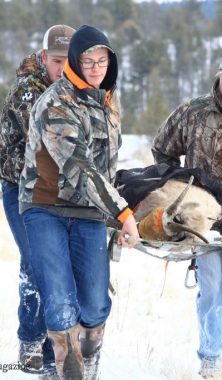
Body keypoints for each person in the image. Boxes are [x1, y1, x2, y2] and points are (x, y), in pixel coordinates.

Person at [18, 24, 140, 380]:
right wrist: (122, 212)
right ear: (75, 60)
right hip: (45, 206)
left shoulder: (107, 101)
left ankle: (90, 366)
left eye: (103, 60)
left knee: (95, 303)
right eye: (89, 60)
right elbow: (80, 168)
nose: (97, 67)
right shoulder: (56, 102)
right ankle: (64, 371)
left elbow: (107, 166)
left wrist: (118, 216)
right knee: (60, 303)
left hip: (88, 211)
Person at [151, 50, 222, 378]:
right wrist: (180, 188)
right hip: (201, 215)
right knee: (210, 286)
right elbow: (162, 150)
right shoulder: (194, 111)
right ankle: (211, 358)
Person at [0, 24, 75, 375]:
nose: (62, 68)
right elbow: (47, 142)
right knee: (35, 261)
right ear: (44, 58)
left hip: (61, 191)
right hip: (19, 186)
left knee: (61, 264)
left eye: (68, 61)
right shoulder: (28, 92)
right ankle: (32, 341)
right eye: (56, 61)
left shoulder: (84, 90)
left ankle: (57, 345)